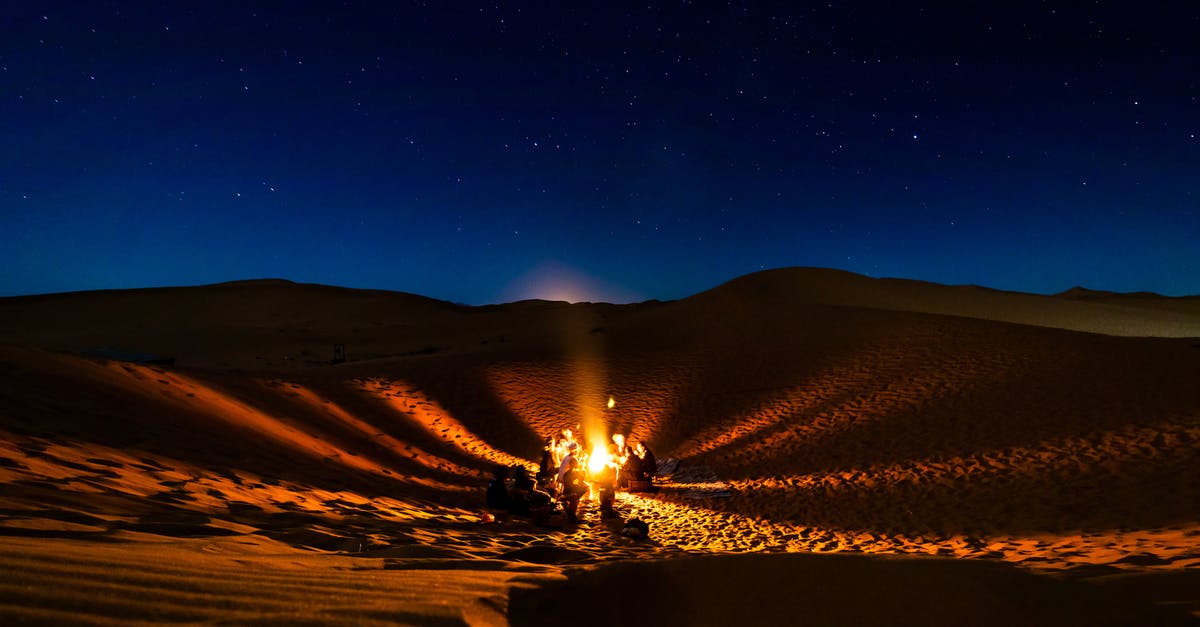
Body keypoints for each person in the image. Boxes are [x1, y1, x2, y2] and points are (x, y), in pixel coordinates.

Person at [557, 456, 588, 524]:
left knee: (585, 488)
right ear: (572, 465)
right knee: (574, 496)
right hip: (567, 493)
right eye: (574, 464)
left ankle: (571, 512)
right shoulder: (568, 474)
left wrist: (581, 476)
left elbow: (581, 481)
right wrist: (577, 486)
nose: (575, 465)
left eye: (576, 464)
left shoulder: (574, 473)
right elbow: (569, 486)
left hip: (571, 491)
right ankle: (572, 515)